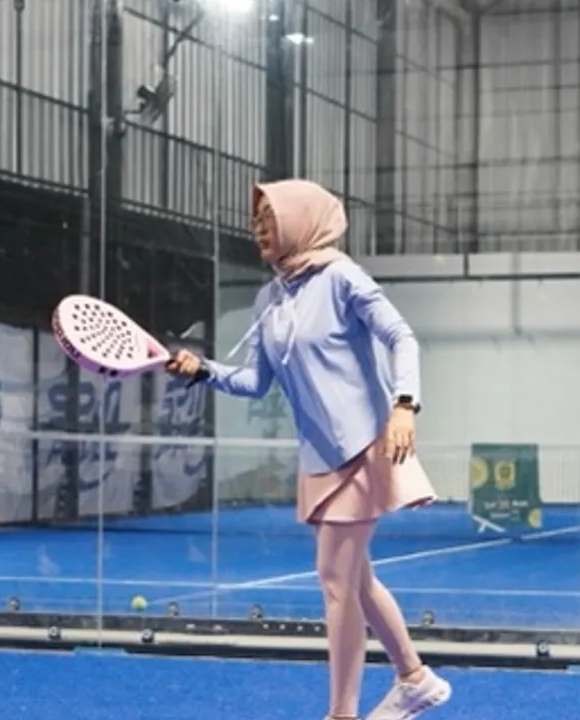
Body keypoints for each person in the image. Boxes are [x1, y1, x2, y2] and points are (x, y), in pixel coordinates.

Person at [165, 179, 452, 720]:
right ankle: (415, 678)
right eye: (255, 221)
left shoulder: (342, 277)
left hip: (363, 446)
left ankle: (341, 713)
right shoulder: (270, 298)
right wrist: (203, 369)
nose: (258, 229)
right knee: (356, 579)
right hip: (318, 456)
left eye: (269, 218)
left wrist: (404, 406)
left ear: (301, 220)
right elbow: (255, 382)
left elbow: (402, 337)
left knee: (336, 579)